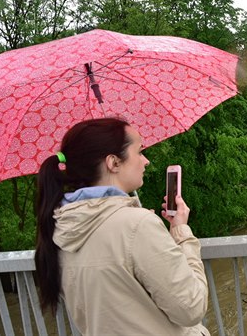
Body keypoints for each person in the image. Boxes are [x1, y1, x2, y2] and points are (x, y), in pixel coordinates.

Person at [34, 118, 210, 336]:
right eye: (139, 151)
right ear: (114, 163)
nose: (145, 161)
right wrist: (181, 234)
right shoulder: (137, 226)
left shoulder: (59, 228)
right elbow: (191, 308)